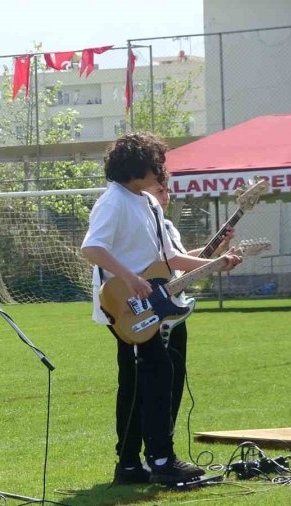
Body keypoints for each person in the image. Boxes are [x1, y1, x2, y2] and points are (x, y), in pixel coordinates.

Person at [80, 132, 241, 485]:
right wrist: (130, 277)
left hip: (150, 300)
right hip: (125, 304)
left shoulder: (148, 203)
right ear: (138, 168)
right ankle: (161, 459)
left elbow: (170, 259)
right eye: (156, 164)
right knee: (155, 373)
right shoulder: (114, 202)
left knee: (141, 380)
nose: (161, 171)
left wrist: (216, 261)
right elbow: (92, 248)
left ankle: (131, 465)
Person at [144, 175, 233, 441]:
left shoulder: (168, 226)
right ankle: (148, 449)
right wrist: (217, 259)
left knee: (175, 379)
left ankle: (165, 443)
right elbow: (168, 262)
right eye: (159, 190)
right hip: (150, 310)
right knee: (151, 382)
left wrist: (217, 249)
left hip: (175, 310)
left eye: (168, 190)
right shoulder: (144, 225)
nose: (166, 195)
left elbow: (179, 262)